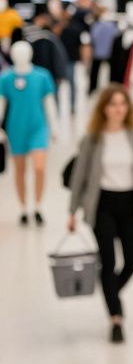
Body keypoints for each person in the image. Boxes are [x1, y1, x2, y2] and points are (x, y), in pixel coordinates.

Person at [66, 84, 133, 344]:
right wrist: (72, 211)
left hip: (132, 203)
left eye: (122, 104)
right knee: (107, 262)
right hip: (103, 205)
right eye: (113, 104)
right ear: (104, 108)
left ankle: (110, 292)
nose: (118, 109)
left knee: (132, 262)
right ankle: (116, 318)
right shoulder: (93, 138)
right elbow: (79, 177)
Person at [0, 40, 57, 226]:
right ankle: (24, 208)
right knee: (20, 170)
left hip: (37, 127)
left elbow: (49, 103)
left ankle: (38, 206)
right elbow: (1, 104)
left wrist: (54, 127)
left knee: (39, 168)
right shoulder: (6, 78)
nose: (20, 55)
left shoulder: (42, 76)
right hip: (16, 127)